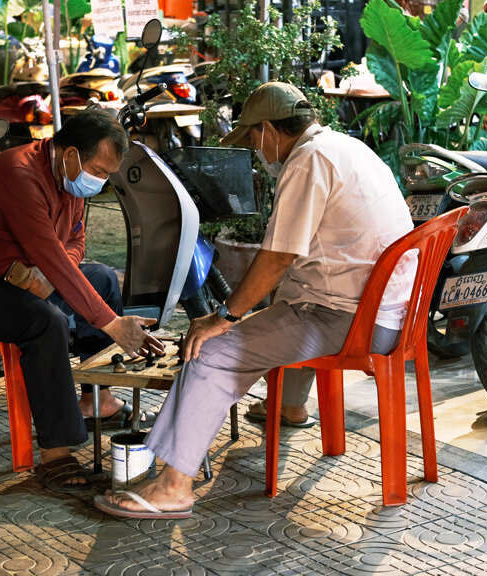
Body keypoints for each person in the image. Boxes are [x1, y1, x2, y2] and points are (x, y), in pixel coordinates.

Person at [94, 82, 416, 518]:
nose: (253, 148)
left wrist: (223, 317)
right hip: (389, 312)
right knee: (287, 301)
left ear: (268, 129)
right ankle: (290, 405)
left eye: (251, 137)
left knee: (210, 353)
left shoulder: (309, 160)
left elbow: (279, 256)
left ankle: (174, 487)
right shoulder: (345, 146)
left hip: (350, 319)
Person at [0, 110, 163, 492]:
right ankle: (55, 455)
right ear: (70, 155)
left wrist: (52, 275)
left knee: (100, 280)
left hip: (15, 276)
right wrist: (111, 323)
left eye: (106, 175)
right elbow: (46, 251)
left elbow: (75, 242)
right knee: (44, 323)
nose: (99, 181)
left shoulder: (68, 182)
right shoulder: (20, 175)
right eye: (97, 170)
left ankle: (96, 401)